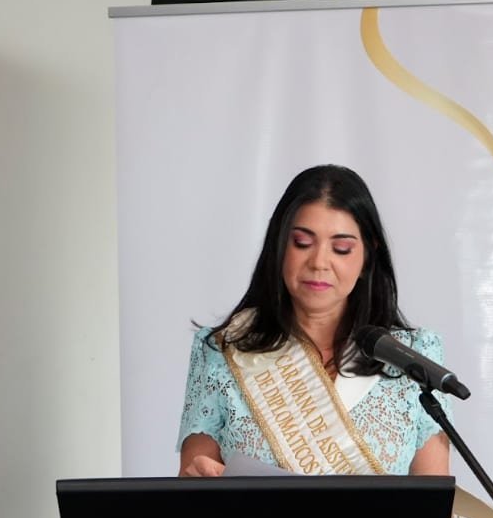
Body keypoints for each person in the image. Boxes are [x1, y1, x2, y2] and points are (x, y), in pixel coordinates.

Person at [177, 163, 452, 478]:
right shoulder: (222, 350)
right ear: (279, 245)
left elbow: (431, 505)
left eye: (341, 248)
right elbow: (193, 487)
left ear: (367, 257)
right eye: (302, 243)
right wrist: (195, 479)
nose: (320, 262)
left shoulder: (412, 356)